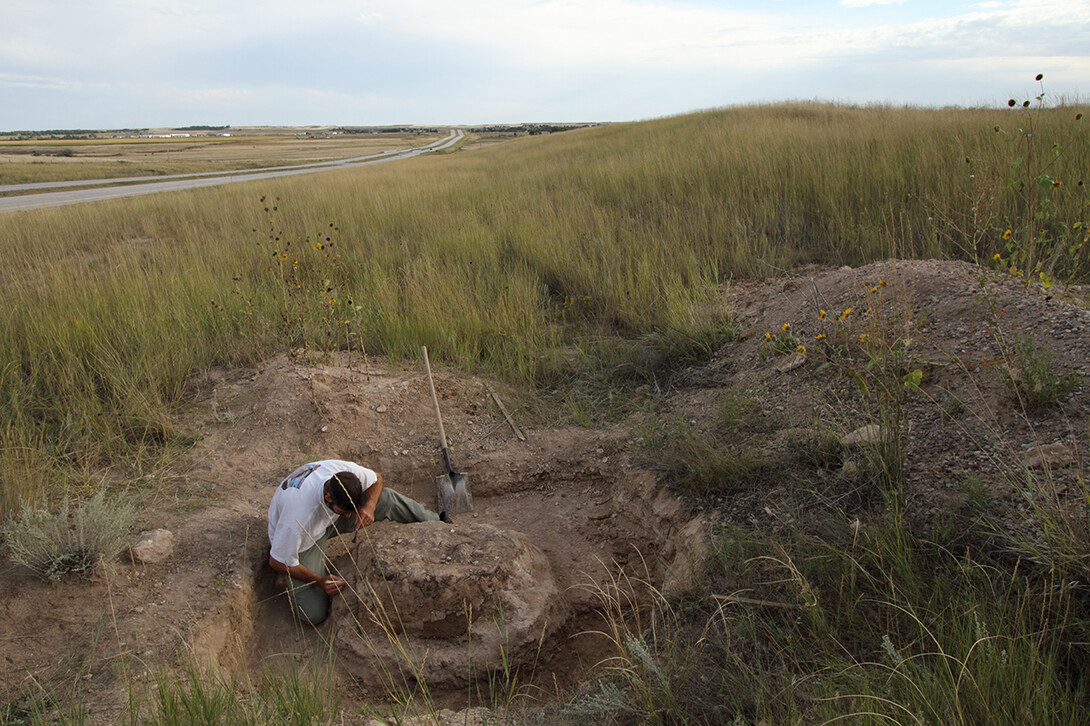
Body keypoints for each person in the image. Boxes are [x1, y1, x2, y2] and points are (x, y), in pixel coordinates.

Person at [267, 459, 443, 625]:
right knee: (313, 613)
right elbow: (276, 561)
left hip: (326, 520)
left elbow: (377, 479)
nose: (350, 516)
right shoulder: (297, 520)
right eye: (345, 512)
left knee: (386, 497)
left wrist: (370, 507)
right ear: (328, 498)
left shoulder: (341, 474)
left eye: (352, 510)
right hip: (305, 541)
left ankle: (439, 523)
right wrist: (319, 581)